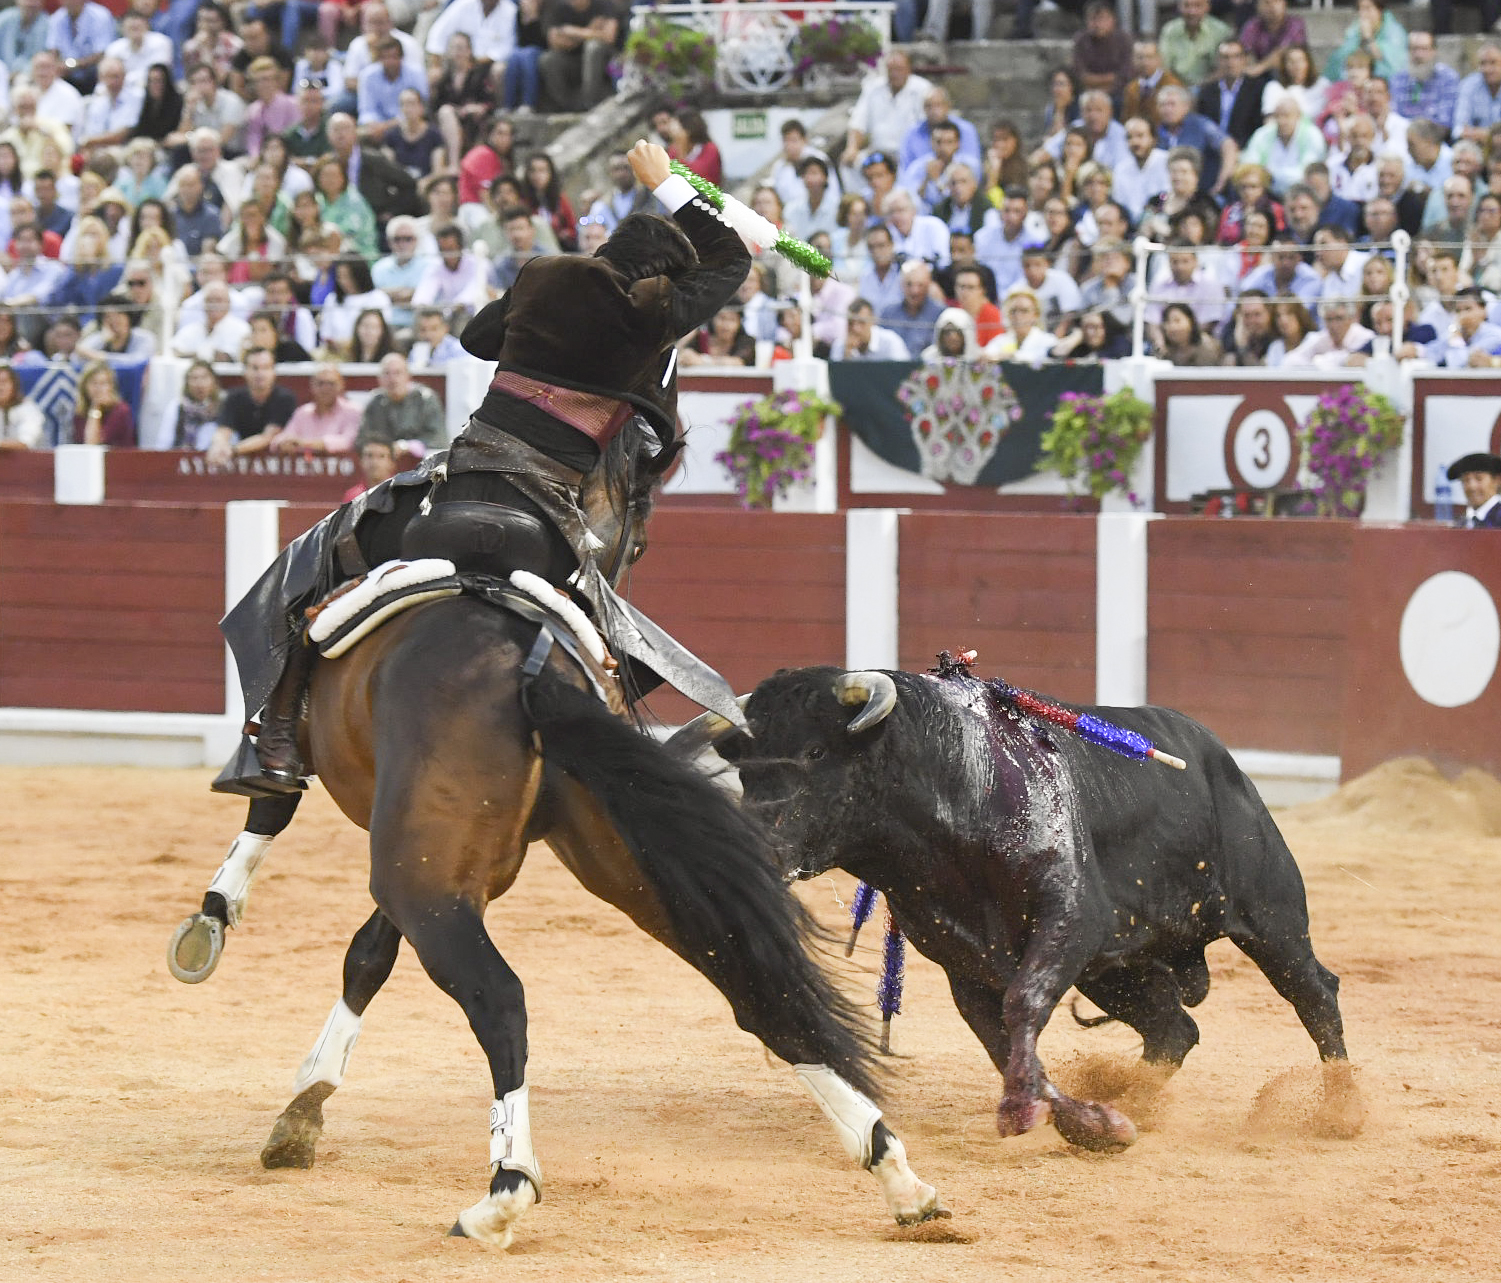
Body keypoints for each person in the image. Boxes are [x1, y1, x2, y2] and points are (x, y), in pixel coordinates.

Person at [209, 348, 297, 467]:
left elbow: (268, 437)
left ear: (273, 372)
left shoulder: (285, 398)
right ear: (245, 371)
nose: (260, 373)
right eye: (255, 368)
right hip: (240, 463)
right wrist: (219, 446)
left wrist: (233, 450)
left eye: (265, 368)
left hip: (277, 464)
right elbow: (224, 429)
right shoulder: (234, 397)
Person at [355, 350, 446, 453]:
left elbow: (438, 439)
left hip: (421, 463)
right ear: (379, 379)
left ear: (408, 376)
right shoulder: (375, 402)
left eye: (397, 373)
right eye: (387, 373)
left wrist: (408, 446)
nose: (392, 379)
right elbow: (362, 440)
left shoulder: (425, 399)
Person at [537, 0, 616, 114]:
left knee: (592, 47)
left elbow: (609, 37)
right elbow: (554, 42)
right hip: (570, 60)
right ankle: (566, 107)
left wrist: (570, 32)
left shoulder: (603, 5)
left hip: (600, 63)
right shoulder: (558, 8)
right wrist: (589, 31)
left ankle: (590, 102)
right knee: (547, 59)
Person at [272, 363, 361, 454]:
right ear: (312, 386)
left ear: (341, 385)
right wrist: (283, 443)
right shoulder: (303, 412)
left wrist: (305, 444)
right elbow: (284, 437)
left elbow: (348, 442)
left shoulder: (352, 411)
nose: (325, 388)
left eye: (331, 384)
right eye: (320, 383)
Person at [1325, 0, 1407, 83]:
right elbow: (1342, 56)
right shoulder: (1355, 29)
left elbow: (1392, 64)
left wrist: (1368, 38)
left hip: (1385, 82)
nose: (1362, 13)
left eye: (1367, 8)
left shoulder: (1394, 31)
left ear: (1380, 10)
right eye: (1360, 9)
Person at [1160, 0, 1233, 88]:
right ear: (1179, 7)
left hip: (1209, 87)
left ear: (1207, 7)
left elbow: (1223, 69)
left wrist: (1199, 88)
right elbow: (1163, 66)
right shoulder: (1170, 30)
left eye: (1198, 6)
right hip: (1176, 87)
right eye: (1186, 6)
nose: (1192, 12)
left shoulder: (1221, 31)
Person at [162, 360, 224, 451]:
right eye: (194, 378)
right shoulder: (177, 406)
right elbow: (164, 443)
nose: (199, 383)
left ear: (213, 381)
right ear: (187, 383)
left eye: (204, 377)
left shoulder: (223, 408)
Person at [72, 360, 136, 446]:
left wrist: (96, 408)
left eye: (103, 383)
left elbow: (93, 443)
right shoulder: (80, 412)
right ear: (84, 386)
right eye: (94, 383)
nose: (98, 388)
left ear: (111, 386)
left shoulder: (121, 411)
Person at [832, 297, 908, 360]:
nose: (855, 329)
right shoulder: (840, 345)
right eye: (851, 323)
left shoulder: (890, 342)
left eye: (861, 322)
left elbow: (905, 373)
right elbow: (834, 376)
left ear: (872, 321)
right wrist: (847, 355)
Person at [1156, 302, 1222, 365]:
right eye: (1168, 322)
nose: (1172, 327)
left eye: (1177, 321)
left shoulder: (1206, 346)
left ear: (1191, 322)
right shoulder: (1163, 349)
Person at [1445, 452, 1501, 526]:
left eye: (1479, 478)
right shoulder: (1461, 524)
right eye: (1465, 480)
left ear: (1497, 480)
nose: (1472, 487)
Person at [0, 362, 45, 450]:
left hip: (30, 462)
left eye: (4, 382)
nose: (0, 387)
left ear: (14, 385)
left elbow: (25, 443)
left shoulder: (28, 409)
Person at [343, 438, 400, 503]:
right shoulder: (352, 497)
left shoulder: (401, 495)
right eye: (369, 456)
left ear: (392, 463)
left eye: (381, 456)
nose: (374, 462)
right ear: (361, 461)